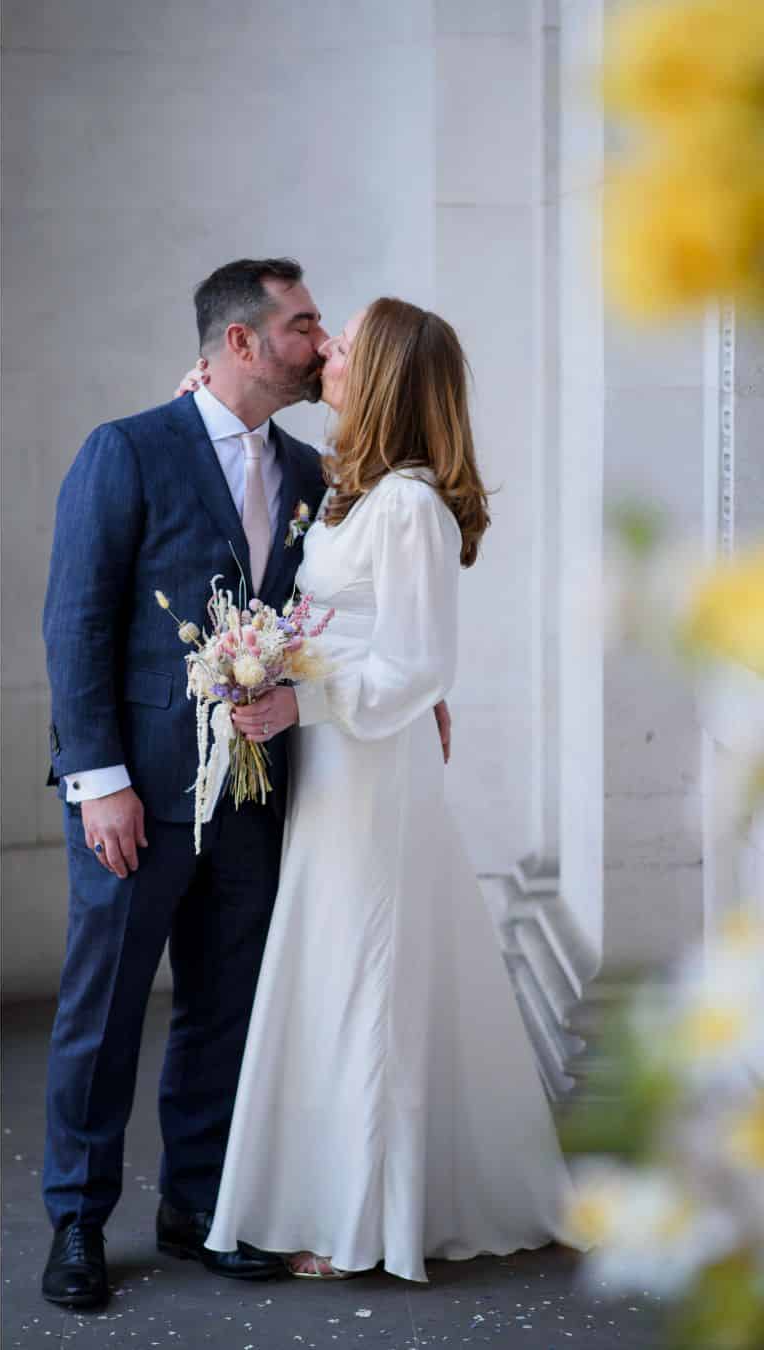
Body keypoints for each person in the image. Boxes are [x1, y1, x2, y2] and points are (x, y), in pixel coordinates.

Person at [204, 298, 571, 1280]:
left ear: (386, 378)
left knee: (365, 968)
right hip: (338, 766)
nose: (328, 351)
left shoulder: (407, 505)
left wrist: (298, 706)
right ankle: (339, 1195)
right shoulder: (353, 493)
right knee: (337, 962)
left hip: (370, 769)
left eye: (349, 347)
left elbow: (418, 664)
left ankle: (368, 1219)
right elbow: (340, 629)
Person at [36, 259, 333, 1309]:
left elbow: (315, 618)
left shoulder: (308, 472)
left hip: (254, 794)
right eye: (304, 325)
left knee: (225, 1008)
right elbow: (76, 621)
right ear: (241, 342)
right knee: (104, 1011)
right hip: (138, 795)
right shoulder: (128, 448)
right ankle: (76, 1218)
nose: (322, 342)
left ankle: (199, 1207)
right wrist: (98, 780)